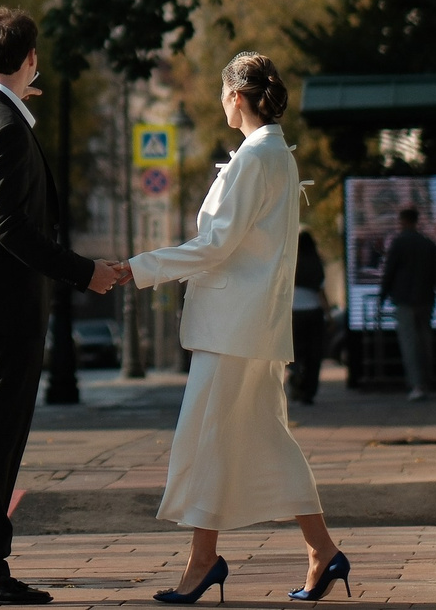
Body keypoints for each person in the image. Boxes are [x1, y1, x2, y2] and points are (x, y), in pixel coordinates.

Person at [120, 53, 350, 604]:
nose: (222, 103)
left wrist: (137, 268)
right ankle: (321, 551)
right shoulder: (274, 154)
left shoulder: (257, 158)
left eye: (224, 94)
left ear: (236, 98)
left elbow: (216, 244)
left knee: (208, 438)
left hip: (234, 328)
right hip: (252, 325)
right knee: (264, 438)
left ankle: (204, 561)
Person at [0, 9, 121, 607]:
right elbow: (11, 227)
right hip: (6, 306)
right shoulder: (6, 128)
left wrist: (14, 91)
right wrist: (84, 272)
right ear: (30, 59)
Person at [377, 205, 436, 402]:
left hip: (404, 300)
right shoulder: (428, 244)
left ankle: (416, 384)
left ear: (403, 221)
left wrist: (382, 297)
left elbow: (389, 272)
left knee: (409, 343)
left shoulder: (398, 243)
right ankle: (425, 381)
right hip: (426, 299)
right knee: (425, 341)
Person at [289, 231, 328, 405]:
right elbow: (321, 291)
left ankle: (295, 376)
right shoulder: (316, 263)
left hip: (294, 312)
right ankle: (309, 390)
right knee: (314, 353)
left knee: (296, 351)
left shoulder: (291, 262)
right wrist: (328, 314)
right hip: (314, 311)